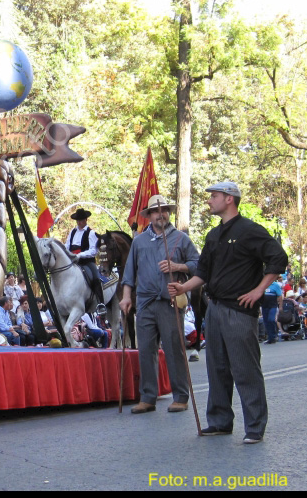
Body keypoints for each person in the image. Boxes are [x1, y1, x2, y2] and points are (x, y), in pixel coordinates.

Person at [169, 181, 287, 444]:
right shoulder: (213, 235)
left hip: (239, 310)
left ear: (229, 199)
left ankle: (255, 427)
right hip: (215, 309)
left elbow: (278, 258)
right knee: (217, 368)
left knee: (245, 370)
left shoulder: (250, 230)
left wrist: (259, 290)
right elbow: (204, 273)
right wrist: (182, 287)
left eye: (214, 196)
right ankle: (220, 421)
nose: (209, 201)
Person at [120, 194, 200, 415]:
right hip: (144, 302)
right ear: (149, 216)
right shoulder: (138, 241)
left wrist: (178, 266)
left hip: (171, 302)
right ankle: (148, 397)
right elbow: (129, 274)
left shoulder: (181, 238)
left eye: (164, 210)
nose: (160, 214)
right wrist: (126, 297)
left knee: (174, 349)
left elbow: (198, 264)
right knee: (145, 350)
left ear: (169, 213)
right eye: (156, 211)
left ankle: (181, 396)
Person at [65, 208, 105, 312]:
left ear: (85, 220)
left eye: (81, 220)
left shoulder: (91, 233)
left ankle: (101, 304)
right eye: (77, 220)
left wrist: (80, 255)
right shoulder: (72, 232)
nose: (79, 222)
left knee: (96, 278)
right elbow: (67, 245)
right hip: (73, 261)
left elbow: (93, 250)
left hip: (87, 261)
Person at [261, 277, 283, 344]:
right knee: (266, 322)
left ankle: (274, 334)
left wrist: (280, 306)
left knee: (271, 319)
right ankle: (270, 338)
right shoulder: (263, 284)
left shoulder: (275, 285)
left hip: (272, 305)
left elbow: (280, 296)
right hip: (264, 305)